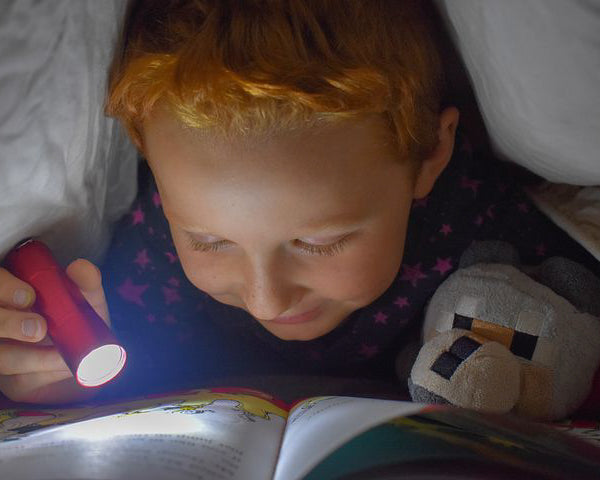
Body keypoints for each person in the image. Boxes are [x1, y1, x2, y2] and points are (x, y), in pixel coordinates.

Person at [1, 0, 598, 405]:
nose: (266, 297)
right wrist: (54, 384)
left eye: (319, 242)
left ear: (430, 157)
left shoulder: (487, 226)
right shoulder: (142, 259)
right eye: (209, 241)